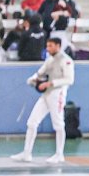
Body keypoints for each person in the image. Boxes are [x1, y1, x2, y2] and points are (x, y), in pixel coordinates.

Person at [11, 36, 72, 164]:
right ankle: (27, 153)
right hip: (46, 95)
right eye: (47, 46)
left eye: (51, 46)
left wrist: (50, 84)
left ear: (58, 46)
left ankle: (59, 154)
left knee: (58, 124)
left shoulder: (66, 61)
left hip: (58, 93)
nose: (48, 48)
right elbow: (41, 72)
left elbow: (69, 80)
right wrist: (33, 79)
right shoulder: (49, 60)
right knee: (32, 122)